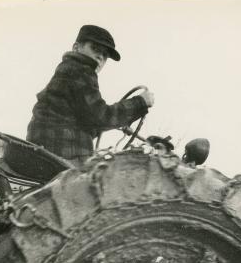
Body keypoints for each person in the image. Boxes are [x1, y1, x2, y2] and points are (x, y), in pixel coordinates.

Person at [26, 25, 154, 168]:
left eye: (105, 55)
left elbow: (87, 119)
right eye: (95, 49)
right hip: (61, 156)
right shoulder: (81, 70)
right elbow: (101, 117)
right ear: (76, 48)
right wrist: (140, 103)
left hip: (46, 151)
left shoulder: (67, 69)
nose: (100, 57)